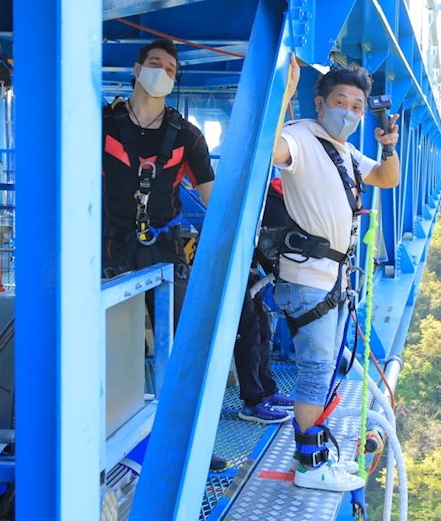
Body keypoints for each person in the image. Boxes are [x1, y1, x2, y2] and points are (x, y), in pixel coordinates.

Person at [271, 54, 400, 492]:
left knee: (324, 370)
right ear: (320, 102)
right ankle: (309, 465)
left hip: (331, 281)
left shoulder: (344, 151)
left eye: (358, 107)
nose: (349, 111)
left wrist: (388, 143)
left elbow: (387, 178)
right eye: (340, 101)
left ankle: (313, 454)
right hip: (309, 280)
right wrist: (282, 96)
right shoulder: (302, 136)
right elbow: (271, 151)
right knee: (315, 369)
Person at [101, 38, 227, 472]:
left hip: (163, 252)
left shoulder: (187, 137)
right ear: (136, 71)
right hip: (112, 248)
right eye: (154, 64)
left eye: (170, 69)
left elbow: (214, 199)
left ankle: (186, 445)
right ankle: (115, 442)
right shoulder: (102, 126)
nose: (162, 72)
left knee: (181, 350)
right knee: (114, 350)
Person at [234, 271, 294, 424]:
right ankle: (252, 403)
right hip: (231, 273)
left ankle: (267, 390)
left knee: (262, 329)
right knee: (248, 336)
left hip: (245, 273)